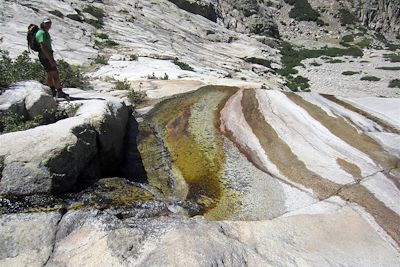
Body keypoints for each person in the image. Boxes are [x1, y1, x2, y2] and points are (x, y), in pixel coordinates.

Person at [35, 16, 69, 99]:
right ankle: (59, 92)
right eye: (46, 23)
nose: (48, 25)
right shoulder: (41, 33)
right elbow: (43, 47)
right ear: (42, 23)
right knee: (55, 74)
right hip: (46, 57)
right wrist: (51, 60)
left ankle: (53, 92)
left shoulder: (44, 32)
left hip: (46, 56)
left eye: (49, 23)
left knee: (49, 74)